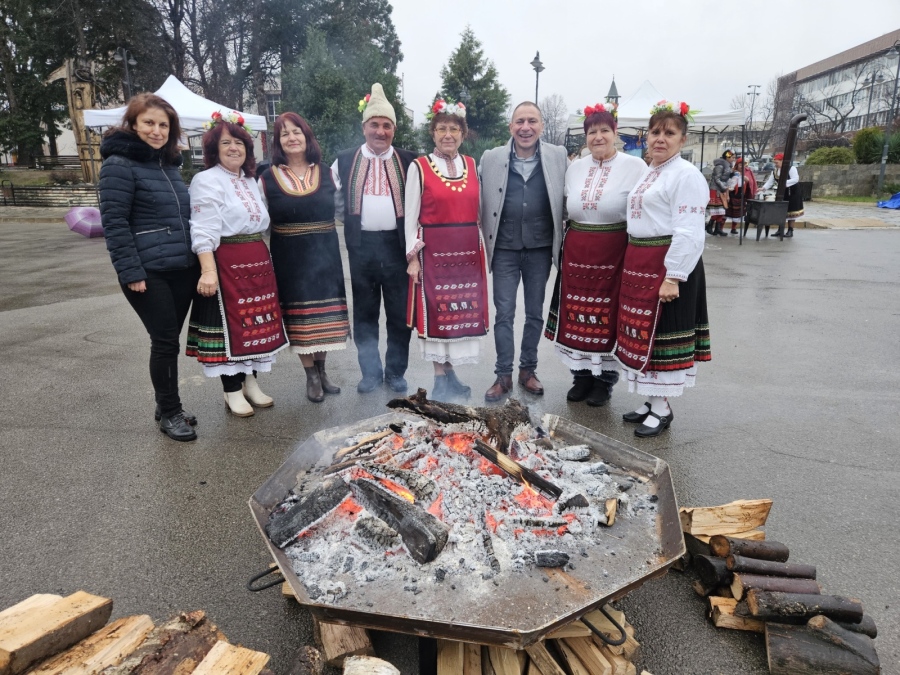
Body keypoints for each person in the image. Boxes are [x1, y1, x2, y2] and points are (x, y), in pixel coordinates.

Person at [98, 93, 200, 442]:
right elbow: (115, 223)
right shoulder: (118, 164)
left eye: (163, 125)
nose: (156, 131)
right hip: (148, 270)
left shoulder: (168, 165)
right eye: (149, 123)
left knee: (169, 338)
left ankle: (165, 403)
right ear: (134, 125)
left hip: (182, 267)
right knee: (164, 341)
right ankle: (170, 413)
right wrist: (131, 272)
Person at [617, 101, 711, 438]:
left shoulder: (686, 175)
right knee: (643, 335)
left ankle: (662, 408)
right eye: (655, 132)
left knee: (661, 336)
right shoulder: (649, 171)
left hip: (666, 264)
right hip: (640, 261)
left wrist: (673, 275)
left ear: (682, 139)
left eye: (669, 133)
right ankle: (651, 400)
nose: (660, 138)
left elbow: (689, 230)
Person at [185, 113, 287, 417]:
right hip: (227, 261)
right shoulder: (206, 180)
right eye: (225, 143)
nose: (233, 148)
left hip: (257, 258)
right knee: (232, 326)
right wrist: (208, 270)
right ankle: (231, 390)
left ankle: (250, 383)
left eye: (239, 143)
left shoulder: (249, 180)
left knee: (254, 325)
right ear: (214, 150)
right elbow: (202, 228)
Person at [544, 103, 646, 407]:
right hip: (576, 251)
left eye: (604, 130)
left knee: (607, 315)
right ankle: (582, 376)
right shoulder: (574, 168)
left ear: (615, 133)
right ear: (585, 136)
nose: (598, 137)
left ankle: (605, 381)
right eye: (592, 132)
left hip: (615, 252)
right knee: (578, 315)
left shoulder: (635, 167)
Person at [479, 101, 567, 401]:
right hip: (503, 246)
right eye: (519, 122)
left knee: (534, 313)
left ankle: (527, 370)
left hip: (540, 247)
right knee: (503, 312)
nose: (525, 127)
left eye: (532, 121)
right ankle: (503, 374)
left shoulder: (558, 156)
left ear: (541, 126)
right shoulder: (491, 158)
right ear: (510, 127)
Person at [332, 83, 417, 393]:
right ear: (364, 126)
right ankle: (369, 373)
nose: (380, 131)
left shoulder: (411, 161)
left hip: (398, 249)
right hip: (362, 249)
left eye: (386, 125)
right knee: (365, 314)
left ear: (393, 129)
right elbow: (333, 201)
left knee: (398, 315)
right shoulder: (344, 159)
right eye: (374, 125)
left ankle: (395, 372)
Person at [260, 113, 350, 403]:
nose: (291, 138)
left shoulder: (326, 172)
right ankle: (310, 375)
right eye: (284, 134)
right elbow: (260, 220)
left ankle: (322, 370)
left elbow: (341, 210)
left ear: (307, 136)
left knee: (323, 315)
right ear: (278, 142)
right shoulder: (267, 178)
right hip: (289, 255)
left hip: (325, 251)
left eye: (296, 131)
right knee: (300, 318)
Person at [405, 98, 489, 401]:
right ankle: (440, 376)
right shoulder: (420, 167)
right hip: (434, 255)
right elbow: (411, 215)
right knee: (438, 315)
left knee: (461, 314)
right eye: (442, 129)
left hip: (467, 254)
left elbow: (480, 211)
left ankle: (451, 374)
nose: (448, 134)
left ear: (463, 133)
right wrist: (412, 258)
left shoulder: (471, 165)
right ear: (433, 133)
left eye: (454, 128)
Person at [762, 153, 803, 237]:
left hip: (792, 192)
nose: (775, 164)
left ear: (783, 161)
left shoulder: (791, 168)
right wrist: (763, 188)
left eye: (777, 162)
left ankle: (790, 230)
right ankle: (780, 230)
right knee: (781, 211)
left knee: (791, 212)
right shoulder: (775, 171)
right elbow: (770, 181)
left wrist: (784, 183)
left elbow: (795, 179)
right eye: (775, 163)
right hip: (782, 193)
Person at [724, 156, 757, 235]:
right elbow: (728, 185)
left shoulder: (746, 173)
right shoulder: (732, 173)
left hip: (741, 195)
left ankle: (733, 228)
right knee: (726, 212)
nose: (742, 166)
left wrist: (744, 178)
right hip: (732, 194)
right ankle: (720, 228)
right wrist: (727, 195)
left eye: (744, 164)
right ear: (737, 165)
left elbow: (749, 182)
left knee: (737, 214)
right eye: (740, 165)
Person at [707, 149, 734, 237]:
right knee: (717, 210)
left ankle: (717, 229)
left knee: (722, 210)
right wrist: (724, 187)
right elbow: (716, 179)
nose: (733, 159)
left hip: (722, 189)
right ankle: (709, 225)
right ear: (727, 157)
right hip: (716, 189)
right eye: (732, 157)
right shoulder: (720, 166)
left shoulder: (728, 166)